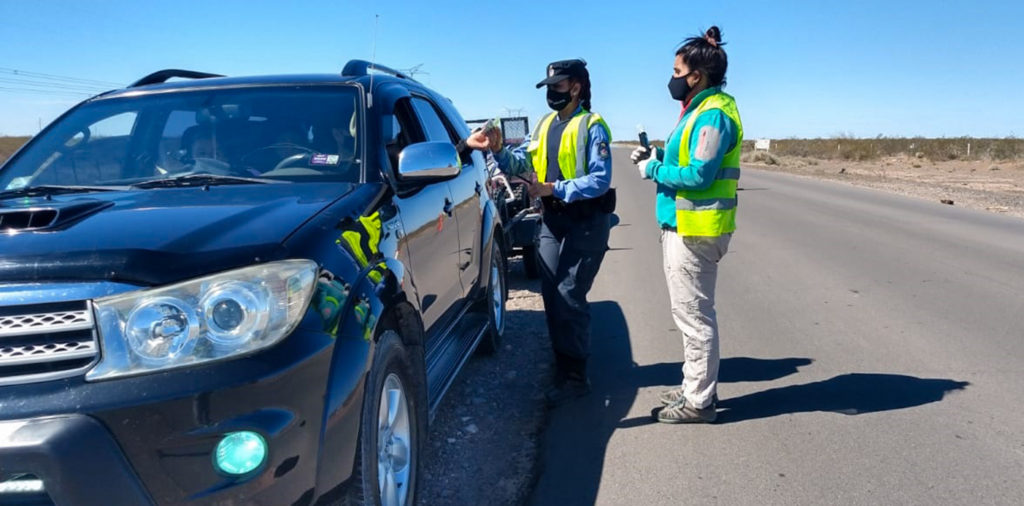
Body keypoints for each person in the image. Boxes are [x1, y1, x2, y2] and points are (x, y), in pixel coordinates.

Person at [467, 59, 614, 406]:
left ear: (576, 87)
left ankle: (576, 375)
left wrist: (555, 189)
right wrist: (499, 149)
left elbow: (600, 179)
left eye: (558, 86)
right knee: (550, 289)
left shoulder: (593, 126)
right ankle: (562, 362)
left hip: (587, 220)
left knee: (568, 293)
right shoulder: (547, 125)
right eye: (548, 87)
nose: (551, 93)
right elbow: (525, 166)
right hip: (553, 219)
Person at [632, 26, 743, 423]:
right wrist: (659, 154)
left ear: (696, 75)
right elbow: (691, 159)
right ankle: (694, 385)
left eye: (677, 71)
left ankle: (699, 403)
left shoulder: (713, 114)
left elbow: (699, 174)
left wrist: (653, 168)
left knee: (694, 317)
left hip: (695, 229)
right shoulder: (699, 110)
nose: (673, 78)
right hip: (685, 226)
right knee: (689, 314)